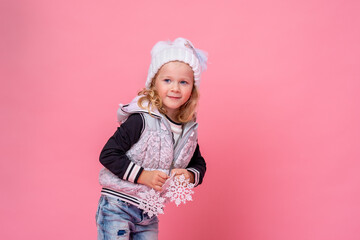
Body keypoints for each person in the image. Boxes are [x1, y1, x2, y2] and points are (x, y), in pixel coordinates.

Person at [95, 37, 208, 240]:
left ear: (192, 90)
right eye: (167, 80)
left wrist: (189, 175)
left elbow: (198, 163)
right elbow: (108, 154)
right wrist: (143, 176)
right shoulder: (141, 119)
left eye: (183, 82)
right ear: (154, 83)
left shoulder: (187, 129)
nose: (175, 88)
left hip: (149, 211)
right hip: (118, 206)